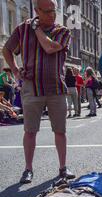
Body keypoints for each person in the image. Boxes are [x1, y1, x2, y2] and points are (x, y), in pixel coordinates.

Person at [2, 0, 76, 184]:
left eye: (54, 10)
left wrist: (36, 29)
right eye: (47, 11)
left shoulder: (63, 31)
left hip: (56, 87)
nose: (52, 14)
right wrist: (16, 70)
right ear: (36, 10)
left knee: (60, 131)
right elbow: (7, 49)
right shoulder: (22, 29)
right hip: (31, 87)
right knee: (30, 131)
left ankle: (63, 167)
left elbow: (50, 48)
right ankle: (28, 169)